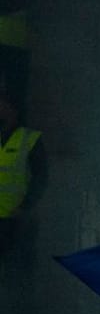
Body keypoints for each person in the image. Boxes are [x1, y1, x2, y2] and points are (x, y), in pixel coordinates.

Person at [0, 84, 46, 259]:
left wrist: (26, 206)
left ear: (14, 111)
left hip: (16, 218)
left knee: (15, 265)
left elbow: (40, 177)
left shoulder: (29, 139)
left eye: (3, 107)